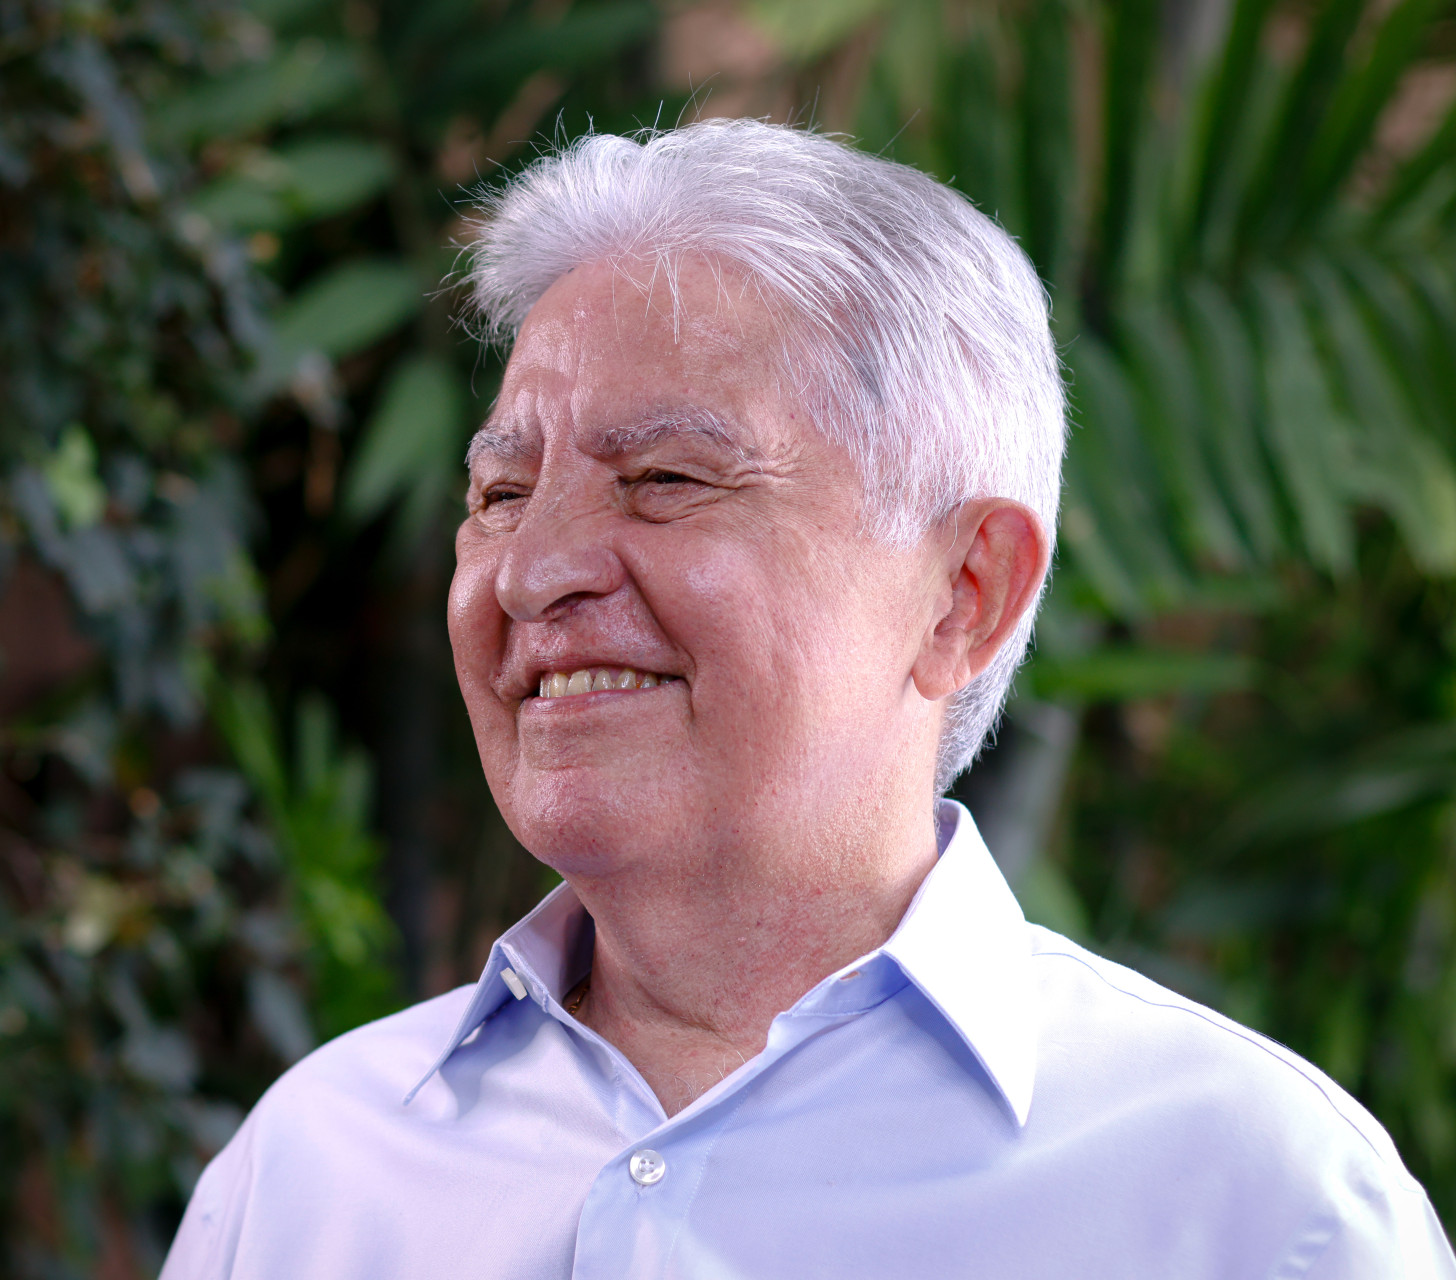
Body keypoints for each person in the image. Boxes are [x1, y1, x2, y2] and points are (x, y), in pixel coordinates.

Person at [159, 118, 1456, 1278]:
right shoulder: (313, 1169)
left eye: (665, 480)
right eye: (500, 494)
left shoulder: (1252, 1207)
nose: (533, 571)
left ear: (963, 595)